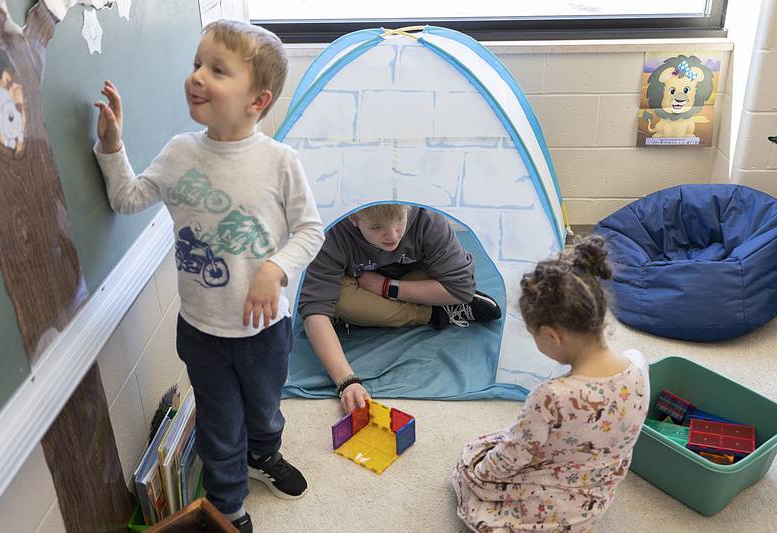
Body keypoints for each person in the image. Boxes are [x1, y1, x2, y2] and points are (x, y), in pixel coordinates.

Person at [93, 21, 324, 533]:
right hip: (203, 331)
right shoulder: (180, 153)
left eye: (217, 70)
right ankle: (230, 507)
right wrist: (112, 147)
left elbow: (311, 231)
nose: (197, 77)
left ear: (256, 100)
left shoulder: (281, 162)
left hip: (266, 333)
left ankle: (264, 455)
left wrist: (274, 266)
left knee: (264, 413)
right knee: (221, 429)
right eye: (197, 64)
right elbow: (126, 198)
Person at [452, 237, 650, 532]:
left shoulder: (551, 397)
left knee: (470, 466)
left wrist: (481, 471)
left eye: (535, 336)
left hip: (553, 502)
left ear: (552, 336)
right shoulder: (637, 365)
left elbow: (513, 455)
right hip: (598, 492)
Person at [298, 203, 502, 413]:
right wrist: (347, 382)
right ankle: (436, 312)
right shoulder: (333, 232)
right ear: (354, 220)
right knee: (341, 302)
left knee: (444, 281)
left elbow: (461, 288)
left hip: (409, 278)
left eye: (399, 222)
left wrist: (387, 288)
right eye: (377, 228)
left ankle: (431, 307)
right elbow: (315, 310)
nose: (392, 235)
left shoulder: (425, 217)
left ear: (407, 210)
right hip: (358, 284)